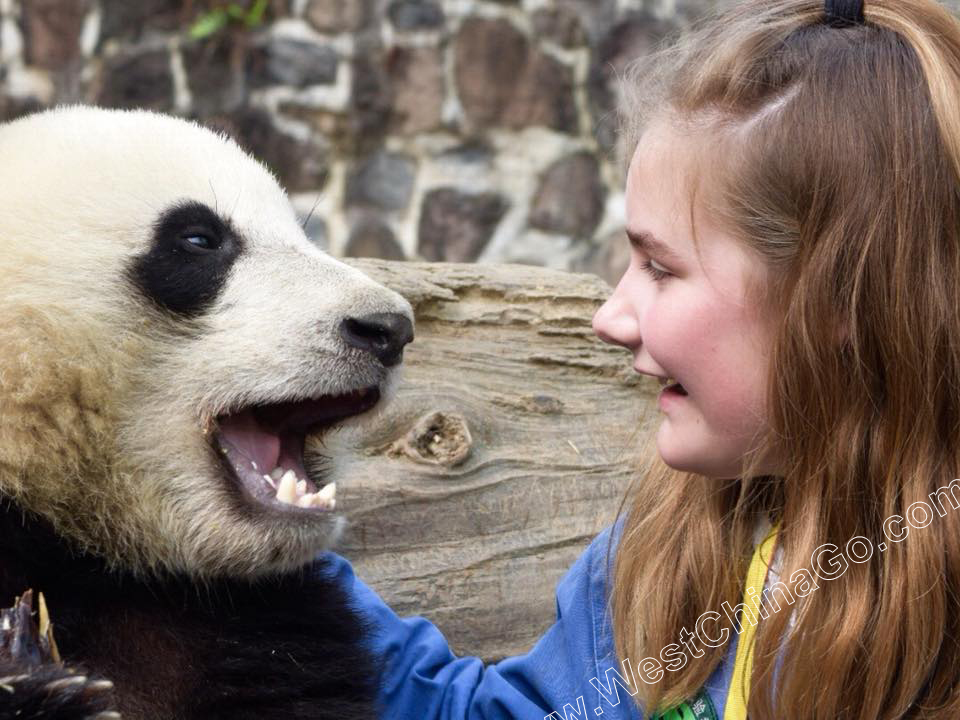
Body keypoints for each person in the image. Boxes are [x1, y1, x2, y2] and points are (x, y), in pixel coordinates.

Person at [320, 0, 960, 717]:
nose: (609, 317)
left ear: (840, 298)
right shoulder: (673, 553)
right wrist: (278, 569)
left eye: (661, 268)